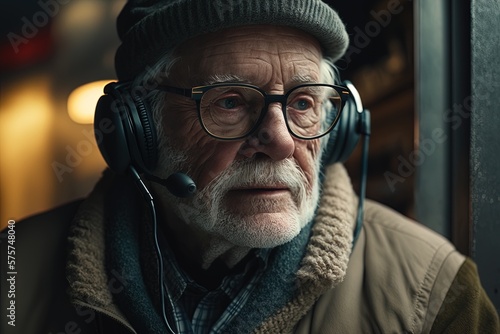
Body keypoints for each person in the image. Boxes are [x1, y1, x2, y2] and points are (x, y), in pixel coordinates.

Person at [1, 0, 499, 333]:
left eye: (304, 103)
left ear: (341, 125)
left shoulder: (434, 295)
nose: (280, 141)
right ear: (136, 128)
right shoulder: (12, 276)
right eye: (230, 102)